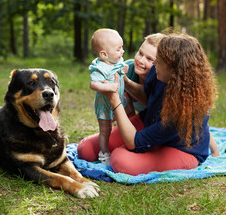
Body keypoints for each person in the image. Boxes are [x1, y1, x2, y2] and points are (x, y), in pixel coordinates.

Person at [78, 32, 218, 175]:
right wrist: (123, 81)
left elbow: (134, 142)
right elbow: (146, 95)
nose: (155, 63)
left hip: (181, 148)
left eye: (158, 61)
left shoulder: (182, 111)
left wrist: (115, 99)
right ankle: (150, 149)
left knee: (120, 160)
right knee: (86, 150)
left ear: (174, 71)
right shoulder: (158, 72)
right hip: (149, 122)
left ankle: (154, 151)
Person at [88, 28, 130, 166]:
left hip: (119, 102)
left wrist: (124, 69)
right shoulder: (99, 68)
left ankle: (123, 147)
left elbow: (121, 70)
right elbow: (93, 84)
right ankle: (104, 153)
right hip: (104, 105)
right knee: (105, 130)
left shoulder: (116, 61)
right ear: (104, 54)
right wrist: (109, 87)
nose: (122, 51)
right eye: (119, 49)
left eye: (122, 48)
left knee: (122, 125)